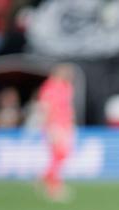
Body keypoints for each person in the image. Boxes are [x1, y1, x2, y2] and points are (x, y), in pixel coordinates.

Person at [37, 63, 75, 201]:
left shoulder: (67, 87)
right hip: (55, 125)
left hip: (65, 125)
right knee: (57, 155)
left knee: (62, 155)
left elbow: (68, 108)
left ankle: (44, 179)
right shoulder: (50, 87)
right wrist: (49, 126)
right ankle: (53, 186)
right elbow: (46, 107)